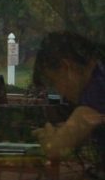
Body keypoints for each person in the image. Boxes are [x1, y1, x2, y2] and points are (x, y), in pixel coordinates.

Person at [32, 31, 105, 164]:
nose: (59, 92)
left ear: (66, 67)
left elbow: (56, 149)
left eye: (54, 82)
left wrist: (48, 134)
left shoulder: (97, 90)